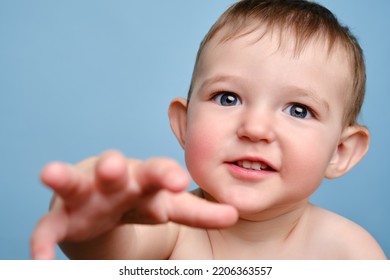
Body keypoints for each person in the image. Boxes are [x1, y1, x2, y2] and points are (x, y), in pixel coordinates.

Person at [30, 0, 386, 259]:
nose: (255, 128)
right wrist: (94, 221)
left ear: (340, 152)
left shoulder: (348, 253)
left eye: (298, 109)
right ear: (185, 124)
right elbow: (111, 253)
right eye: (228, 98)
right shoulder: (171, 231)